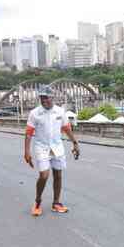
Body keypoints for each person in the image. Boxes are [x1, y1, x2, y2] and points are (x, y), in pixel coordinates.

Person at [24, 86, 80, 217]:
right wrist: (27, 152)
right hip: (41, 147)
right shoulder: (35, 113)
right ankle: (38, 201)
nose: (44, 101)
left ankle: (56, 203)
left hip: (57, 147)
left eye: (46, 98)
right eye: (41, 98)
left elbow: (67, 129)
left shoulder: (60, 112)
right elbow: (28, 134)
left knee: (58, 175)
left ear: (52, 97)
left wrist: (75, 143)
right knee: (44, 175)